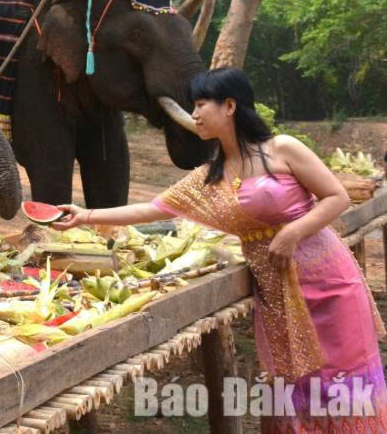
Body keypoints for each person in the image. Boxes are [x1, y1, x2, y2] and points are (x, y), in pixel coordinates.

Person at [55, 67, 386, 431]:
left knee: (344, 384)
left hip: (331, 284)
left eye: (200, 104)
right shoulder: (209, 176)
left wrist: (293, 232)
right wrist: (84, 215)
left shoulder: (283, 148)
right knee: (294, 387)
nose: (194, 114)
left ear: (229, 105)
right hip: (277, 293)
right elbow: (153, 209)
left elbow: (336, 197)